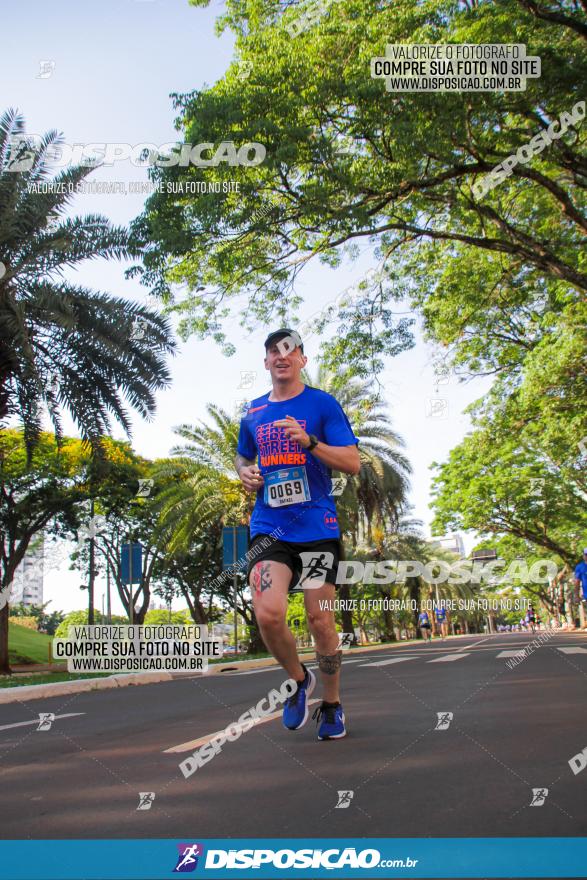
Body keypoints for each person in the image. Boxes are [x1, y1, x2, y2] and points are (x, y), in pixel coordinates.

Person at [236, 329, 360, 741]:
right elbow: (243, 454)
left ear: (302, 361)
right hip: (269, 527)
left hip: (316, 530)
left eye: (290, 351)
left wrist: (309, 442)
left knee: (320, 619)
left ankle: (332, 704)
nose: (281, 357)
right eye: (274, 352)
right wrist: (244, 472)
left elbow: (352, 462)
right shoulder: (253, 412)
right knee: (267, 613)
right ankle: (297, 678)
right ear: (266, 362)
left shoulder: (322, 404)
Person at [574, 548, 587, 628]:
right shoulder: (580, 567)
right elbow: (577, 582)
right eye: (586, 555)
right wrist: (576, 595)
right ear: (583, 556)